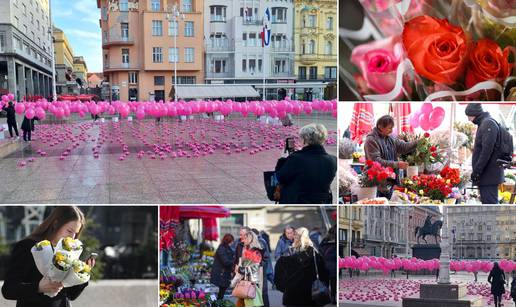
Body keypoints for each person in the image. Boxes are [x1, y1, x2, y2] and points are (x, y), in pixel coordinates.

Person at [2, 206, 95, 307]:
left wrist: (82, 273)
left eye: (75, 233)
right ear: (56, 224)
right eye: (69, 231)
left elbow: (71, 295)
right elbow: (8, 290)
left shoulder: (69, 252)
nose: (72, 237)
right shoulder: (27, 247)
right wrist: (38, 287)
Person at [275, 123, 337, 204]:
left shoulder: (296, 158)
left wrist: (283, 159)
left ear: (305, 139)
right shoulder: (333, 160)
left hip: (296, 202)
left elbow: (279, 177)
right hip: (322, 203)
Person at [364, 115, 419, 199]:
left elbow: (404, 147)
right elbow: (376, 161)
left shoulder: (390, 138)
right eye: (389, 128)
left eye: (392, 128)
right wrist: (397, 164)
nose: (391, 130)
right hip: (375, 181)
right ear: (380, 127)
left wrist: (418, 142)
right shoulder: (371, 140)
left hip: (389, 180)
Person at [274, 227, 329, 307]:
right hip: (311, 295)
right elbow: (324, 273)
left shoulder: (288, 253)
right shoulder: (314, 253)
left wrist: (285, 288)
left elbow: (278, 276)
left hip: (292, 296)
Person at [465, 103, 505, 204]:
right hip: (487, 175)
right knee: (488, 206)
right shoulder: (484, 123)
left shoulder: (487, 124)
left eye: (469, 116)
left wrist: (477, 172)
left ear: (476, 114)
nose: (469, 119)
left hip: (489, 176)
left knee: (490, 206)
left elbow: (486, 151)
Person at [234, 229, 264, 307]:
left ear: (251, 239)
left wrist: (240, 269)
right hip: (244, 282)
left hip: (251, 284)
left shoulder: (256, 252)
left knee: (249, 304)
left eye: (246, 238)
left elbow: (255, 269)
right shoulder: (246, 249)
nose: (243, 240)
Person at [210, 234, 235, 301]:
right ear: (228, 241)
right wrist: (235, 261)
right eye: (232, 241)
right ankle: (217, 304)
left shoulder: (227, 248)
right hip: (221, 274)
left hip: (224, 274)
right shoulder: (221, 249)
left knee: (222, 292)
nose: (232, 243)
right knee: (220, 293)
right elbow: (226, 262)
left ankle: (218, 303)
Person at [319, 226, 337, 305]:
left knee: (325, 283)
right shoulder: (336, 242)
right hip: (333, 266)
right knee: (333, 284)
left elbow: (319, 252)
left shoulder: (324, 241)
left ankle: (325, 298)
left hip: (324, 266)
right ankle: (333, 298)